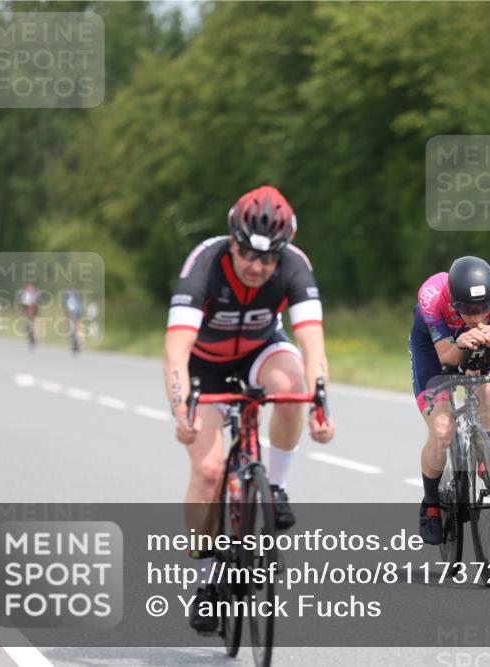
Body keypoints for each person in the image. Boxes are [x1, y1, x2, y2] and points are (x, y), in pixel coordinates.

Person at [163, 185, 336, 634]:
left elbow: (312, 344)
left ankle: (275, 487)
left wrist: (320, 406)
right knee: (208, 472)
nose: (257, 267)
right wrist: (181, 408)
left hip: (262, 351)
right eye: (248, 255)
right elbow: (176, 350)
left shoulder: (295, 265)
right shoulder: (204, 263)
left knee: (292, 388)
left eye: (268, 258)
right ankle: (206, 580)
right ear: (232, 242)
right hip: (205, 365)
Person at [409, 256, 490, 545]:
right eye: (468, 310)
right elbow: (446, 357)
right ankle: (431, 503)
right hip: (433, 351)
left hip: (471, 346)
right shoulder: (432, 294)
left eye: (484, 309)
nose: (477, 317)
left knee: (488, 392)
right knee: (443, 430)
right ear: (454, 302)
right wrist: (461, 344)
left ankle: (486, 458)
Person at [17, 282, 40, 349]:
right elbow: (21, 303)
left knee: (32, 326)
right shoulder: (24, 293)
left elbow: (37, 303)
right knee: (28, 326)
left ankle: (33, 339)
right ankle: (32, 339)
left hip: (33, 311)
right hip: (28, 311)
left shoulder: (35, 292)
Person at [62, 288, 84, 352]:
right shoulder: (76, 297)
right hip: (77, 312)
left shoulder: (67, 298)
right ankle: (80, 342)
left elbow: (65, 308)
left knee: (74, 327)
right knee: (78, 326)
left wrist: (66, 316)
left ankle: (78, 342)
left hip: (74, 312)